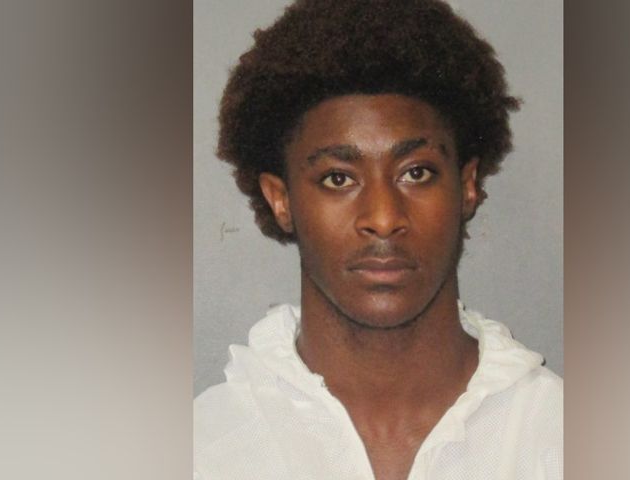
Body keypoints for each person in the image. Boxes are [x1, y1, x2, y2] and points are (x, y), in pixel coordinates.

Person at [193, 0, 562, 479]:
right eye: (338, 179)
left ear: (467, 187)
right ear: (280, 200)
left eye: (416, 172)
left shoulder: (558, 438)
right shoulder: (206, 451)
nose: (384, 218)